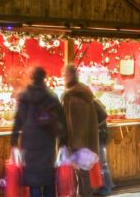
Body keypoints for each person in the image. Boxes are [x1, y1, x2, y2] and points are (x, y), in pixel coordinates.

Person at [10, 67, 64, 197]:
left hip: (29, 142)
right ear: (44, 78)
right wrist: (63, 139)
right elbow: (62, 118)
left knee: (34, 180)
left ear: (32, 78)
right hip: (47, 142)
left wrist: (13, 140)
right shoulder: (51, 96)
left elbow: (18, 120)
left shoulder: (24, 96)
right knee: (48, 179)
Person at [62, 65, 105, 197]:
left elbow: (65, 121)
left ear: (68, 76)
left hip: (75, 141)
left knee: (75, 173)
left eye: (64, 75)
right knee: (84, 173)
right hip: (89, 140)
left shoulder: (68, 96)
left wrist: (63, 141)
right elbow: (102, 113)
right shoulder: (87, 93)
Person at [93, 97, 113, 197]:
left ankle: (107, 188)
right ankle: (107, 186)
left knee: (102, 163)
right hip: (100, 136)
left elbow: (104, 116)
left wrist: (95, 127)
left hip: (99, 136)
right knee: (102, 163)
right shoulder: (94, 101)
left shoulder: (93, 102)